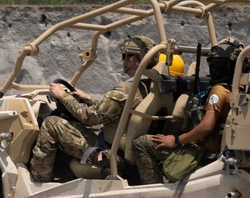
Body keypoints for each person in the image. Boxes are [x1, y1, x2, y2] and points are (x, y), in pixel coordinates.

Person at [29, 35, 156, 183]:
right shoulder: (149, 86)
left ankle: (38, 181)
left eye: (125, 56)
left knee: (51, 124)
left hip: (110, 154)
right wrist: (89, 99)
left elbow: (89, 117)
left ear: (134, 60)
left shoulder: (126, 89)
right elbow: (118, 108)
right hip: (126, 151)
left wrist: (62, 95)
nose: (123, 61)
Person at [132, 38, 243, 185]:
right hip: (207, 145)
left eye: (220, 64)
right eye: (212, 63)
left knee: (141, 143)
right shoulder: (236, 88)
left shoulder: (218, 91)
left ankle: (153, 189)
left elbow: (207, 126)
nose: (215, 68)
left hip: (200, 149)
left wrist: (176, 140)